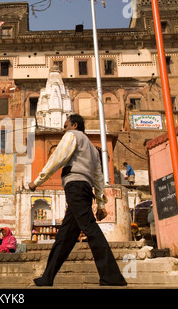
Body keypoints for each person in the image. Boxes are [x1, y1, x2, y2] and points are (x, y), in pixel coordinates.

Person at [28, 114, 127, 287]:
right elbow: (98, 177)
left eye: (65, 126)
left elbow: (57, 158)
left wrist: (37, 181)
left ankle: (112, 276)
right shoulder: (91, 148)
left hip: (75, 186)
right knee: (65, 236)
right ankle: (48, 277)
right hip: (85, 189)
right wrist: (101, 204)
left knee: (89, 227)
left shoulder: (72, 136)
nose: (64, 129)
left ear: (74, 125)